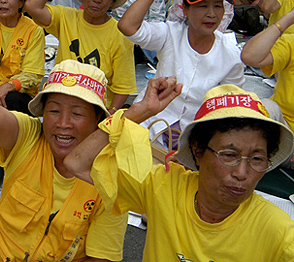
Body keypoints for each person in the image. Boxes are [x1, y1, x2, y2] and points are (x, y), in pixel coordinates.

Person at [0, 23, 129, 261]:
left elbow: (101, 257)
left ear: (98, 119)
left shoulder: (111, 178)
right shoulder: (28, 136)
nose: (63, 123)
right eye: (54, 111)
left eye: (77, 113)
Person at [65, 82, 294, 261]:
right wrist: (140, 111)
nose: (242, 173)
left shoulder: (279, 233)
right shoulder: (163, 187)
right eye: (229, 155)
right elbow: (78, 163)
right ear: (197, 151)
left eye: (257, 159)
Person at [118, 0, 245, 144]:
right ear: (185, 9)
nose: (212, 14)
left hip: (195, 137)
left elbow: (231, 105)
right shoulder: (170, 33)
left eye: (217, 6)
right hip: (150, 124)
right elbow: (127, 26)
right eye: (202, 6)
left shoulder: (231, 54)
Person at [25, 0, 136, 112]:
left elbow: (123, 87)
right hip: (60, 99)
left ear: (112, 2)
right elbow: (32, 6)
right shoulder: (66, 17)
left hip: (95, 108)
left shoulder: (120, 35)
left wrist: (109, 115)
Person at [241, 6, 294, 130]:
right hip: (285, 126)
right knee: (267, 106)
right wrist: (288, 18)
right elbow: (250, 56)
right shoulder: (291, 42)